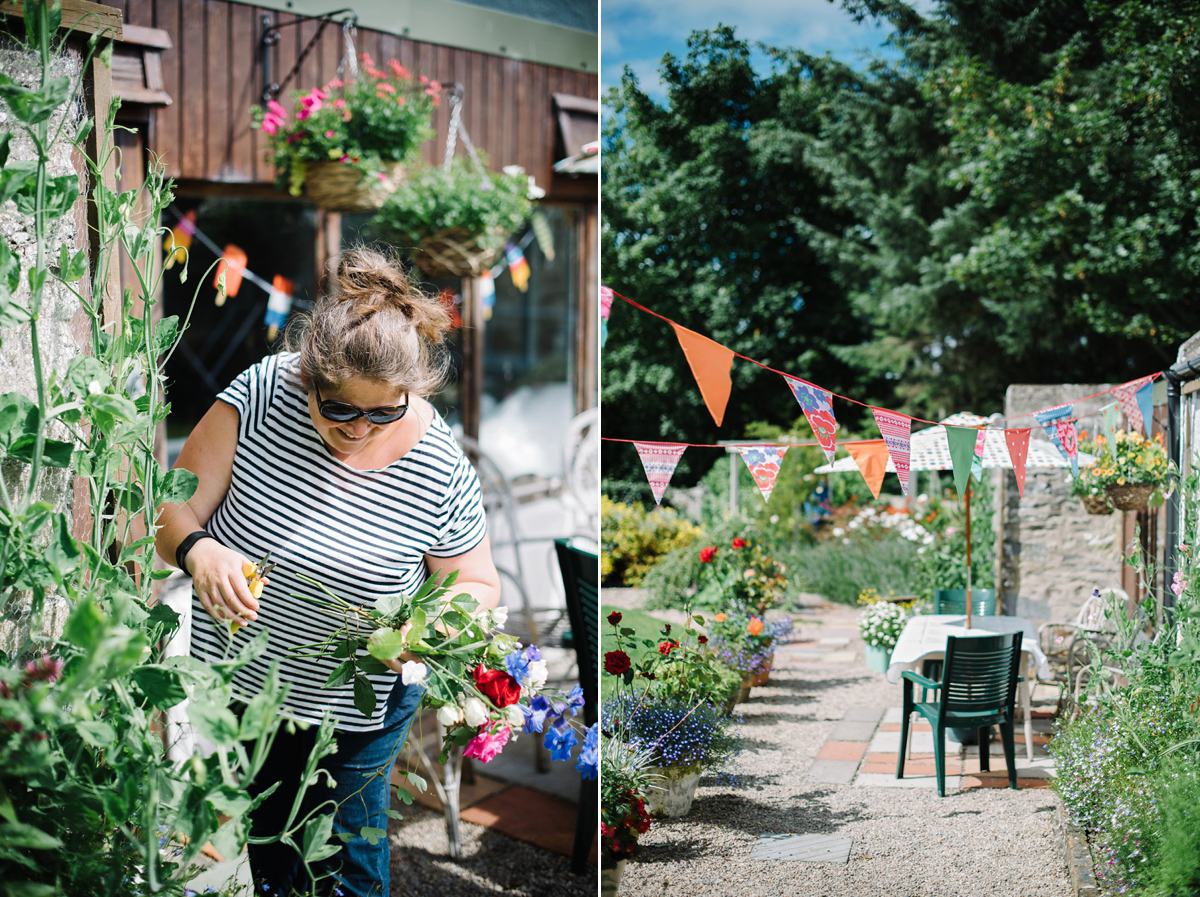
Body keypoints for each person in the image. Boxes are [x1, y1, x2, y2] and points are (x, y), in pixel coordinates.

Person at [155, 247, 501, 897]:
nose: (358, 429)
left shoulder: (437, 461)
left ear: (409, 394)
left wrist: (431, 630)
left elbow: (477, 584)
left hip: (362, 698)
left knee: (351, 863)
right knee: (276, 856)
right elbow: (169, 507)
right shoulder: (262, 394)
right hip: (253, 682)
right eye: (339, 409)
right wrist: (200, 549)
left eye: (382, 412)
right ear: (306, 378)